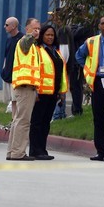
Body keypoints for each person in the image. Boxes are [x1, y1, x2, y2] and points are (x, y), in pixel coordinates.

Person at [75, 16, 104, 161]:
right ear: (99, 26)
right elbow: (79, 56)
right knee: (99, 119)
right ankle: (100, 152)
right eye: (103, 24)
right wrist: (88, 70)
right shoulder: (91, 41)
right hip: (98, 83)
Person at [28, 24, 67, 160]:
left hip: (53, 93)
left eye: (52, 35)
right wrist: (35, 90)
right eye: (47, 35)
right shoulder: (37, 50)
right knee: (37, 122)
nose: (50, 37)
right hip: (41, 93)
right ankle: (34, 150)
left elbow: (61, 73)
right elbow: (34, 71)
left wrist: (62, 92)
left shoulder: (56, 51)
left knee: (45, 123)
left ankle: (42, 149)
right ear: (42, 36)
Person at [6, 18, 41, 161]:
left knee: (18, 120)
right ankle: (18, 153)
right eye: (34, 28)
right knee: (23, 121)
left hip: (26, 86)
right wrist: (31, 36)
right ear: (26, 29)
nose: (37, 31)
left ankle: (12, 151)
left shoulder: (32, 45)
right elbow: (26, 42)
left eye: (39, 29)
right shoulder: (24, 42)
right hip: (25, 86)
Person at [1, 17, 23, 115]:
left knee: (17, 100)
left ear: (13, 26)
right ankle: (14, 121)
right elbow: (6, 56)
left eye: (6, 25)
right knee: (12, 100)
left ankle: (16, 120)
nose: (4, 27)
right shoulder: (8, 40)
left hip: (17, 75)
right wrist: (4, 70)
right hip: (8, 74)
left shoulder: (22, 39)